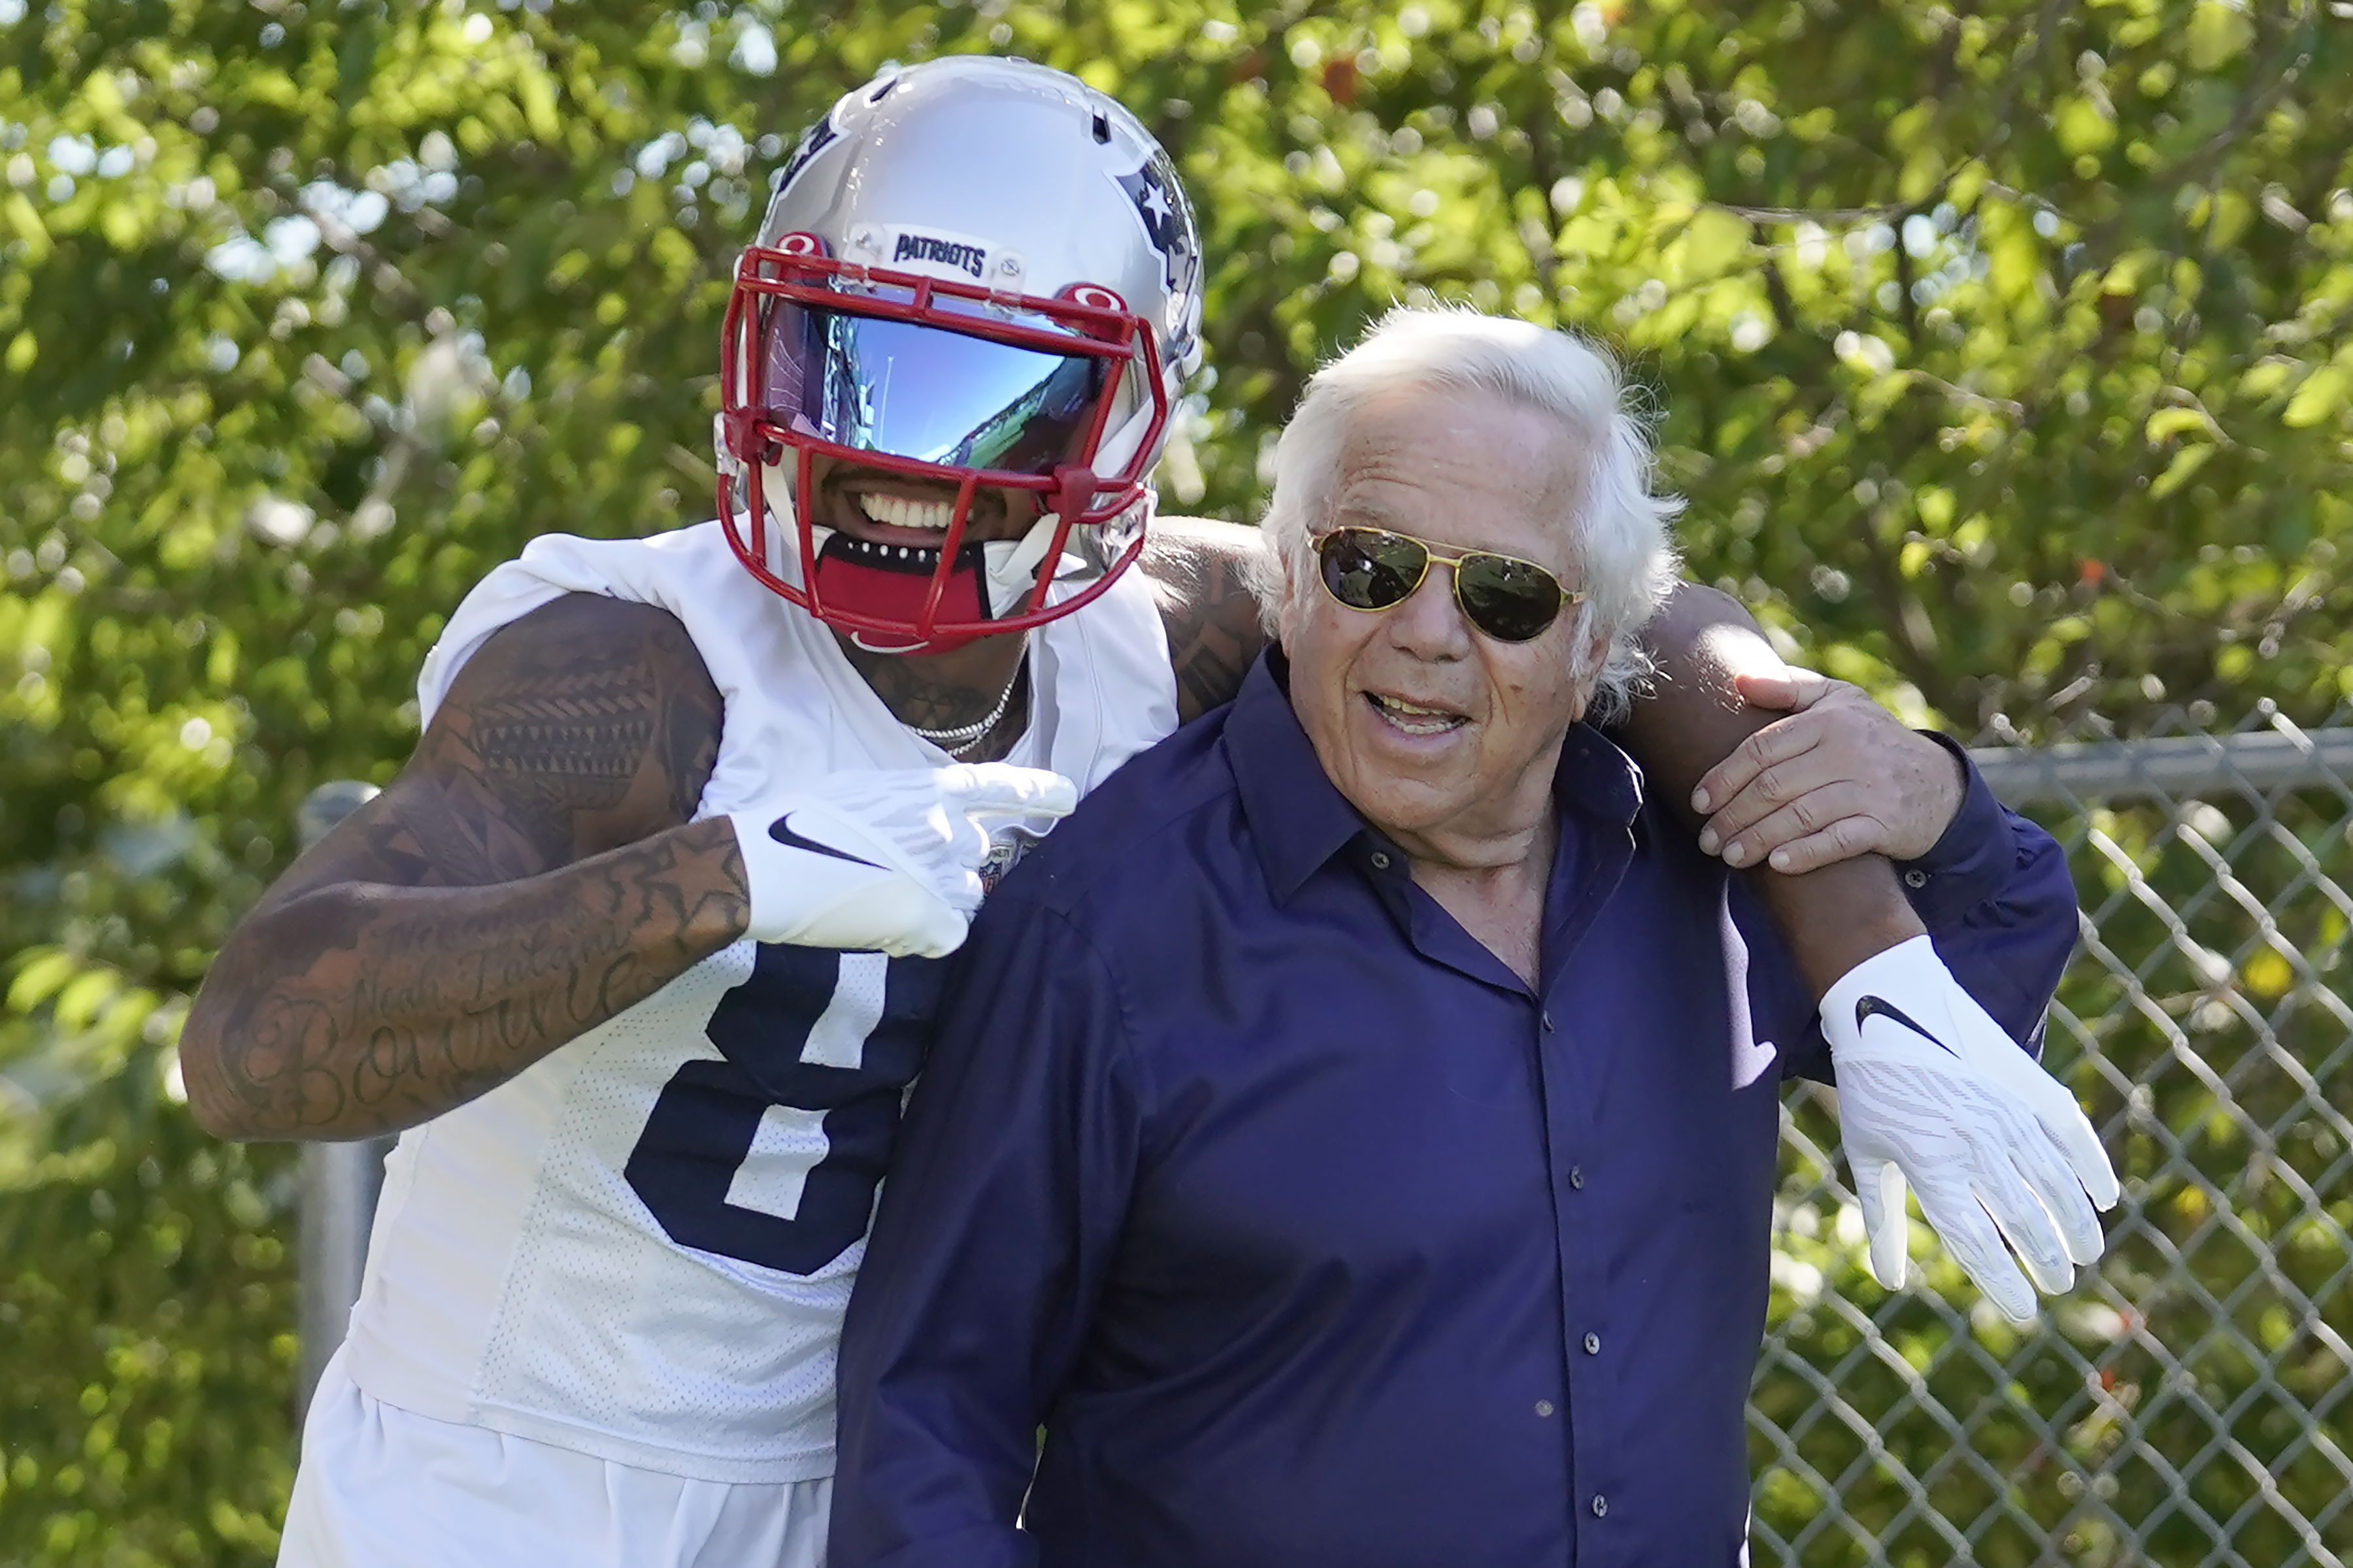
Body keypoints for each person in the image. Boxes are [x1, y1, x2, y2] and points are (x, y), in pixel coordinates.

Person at [176, 57, 2098, 1568]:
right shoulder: (636, 663)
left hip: (861, 1484)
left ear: (1128, 427)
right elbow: (258, 1044)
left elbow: (1608, 600)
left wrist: (1865, 926)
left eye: (985, 405)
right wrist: (722, 875)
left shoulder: (1163, 629)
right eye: (851, 362)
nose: (896, 466)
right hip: (519, 1483)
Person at [829, 307, 2115, 1567]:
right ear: (1290, 576)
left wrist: (1933, 801)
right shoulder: (1107, 928)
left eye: (1506, 596)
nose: (1429, 633)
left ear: (1594, 644)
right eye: (1370, 566)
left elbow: (1992, 955)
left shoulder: (1712, 870)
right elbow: (928, 1427)